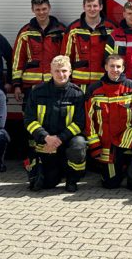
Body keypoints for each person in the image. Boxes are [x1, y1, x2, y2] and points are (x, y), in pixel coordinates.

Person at [85, 54, 132, 193]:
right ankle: (119, 169)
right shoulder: (94, 90)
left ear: (123, 68)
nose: (115, 69)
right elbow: (89, 121)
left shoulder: (131, 87)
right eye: (112, 66)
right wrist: (94, 146)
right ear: (105, 67)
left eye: (118, 66)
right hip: (106, 143)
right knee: (111, 183)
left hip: (126, 136)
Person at [23, 55, 88, 192]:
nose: (61, 74)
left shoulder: (77, 94)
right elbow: (29, 120)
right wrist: (46, 137)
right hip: (46, 142)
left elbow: (79, 123)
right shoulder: (38, 92)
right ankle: (56, 173)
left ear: (70, 72)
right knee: (47, 183)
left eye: (64, 70)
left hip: (67, 141)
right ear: (51, 72)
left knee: (79, 145)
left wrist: (59, 139)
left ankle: (72, 179)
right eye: (57, 71)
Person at [12, 0, 67, 104]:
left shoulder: (61, 31)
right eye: (38, 9)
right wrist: (17, 85)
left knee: (53, 116)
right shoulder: (25, 32)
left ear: (49, 8)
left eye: (44, 9)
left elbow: (66, 57)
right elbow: (18, 59)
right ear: (32, 10)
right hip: (31, 85)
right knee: (30, 117)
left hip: (54, 83)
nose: (41, 12)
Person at [63, 0, 116, 89]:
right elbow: (65, 57)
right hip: (78, 83)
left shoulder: (111, 28)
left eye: (95, 6)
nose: (92, 9)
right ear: (84, 7)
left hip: (103, 82)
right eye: (89, 6)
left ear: (101, 7)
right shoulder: (73, 29)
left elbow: (117, 56)